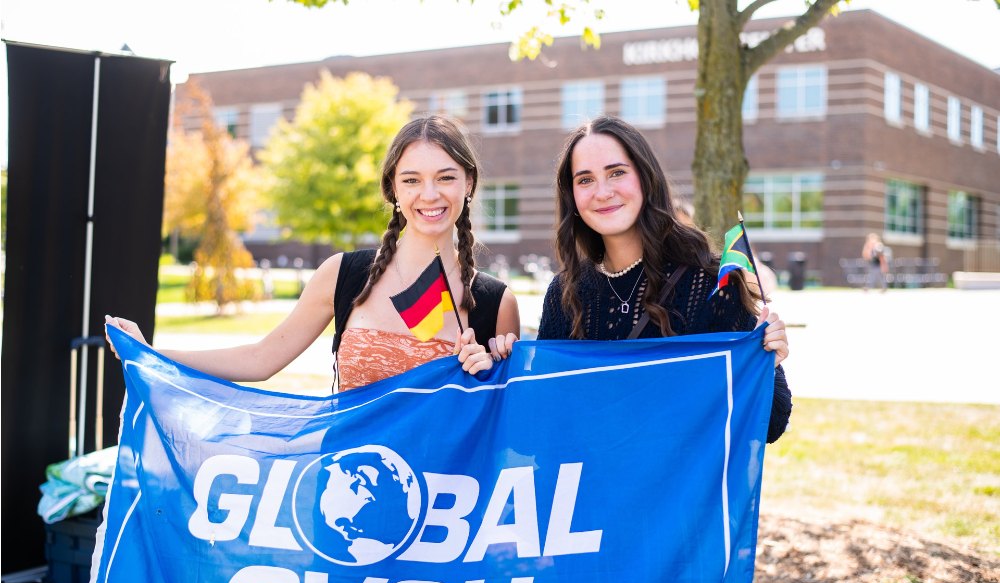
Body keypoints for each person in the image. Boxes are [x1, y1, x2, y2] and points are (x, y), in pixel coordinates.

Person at [106, 115, 521, 391]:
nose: (428, 195)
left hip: (448, 510)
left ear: (468, 184)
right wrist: (151, 354)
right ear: (393, 190)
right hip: (345, 497)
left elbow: (504, 431)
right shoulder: (343, 274)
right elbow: (259, 359)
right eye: (411, 180)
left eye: (445, 177)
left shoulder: (496, 303)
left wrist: (488, 378)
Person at [528, 116, 792, 442]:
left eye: (617, 172)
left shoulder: (710, 285)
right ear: (573, 198)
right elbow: (542, 417)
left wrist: (768, 363)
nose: (602, 191)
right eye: (585, 180)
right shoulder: (564, 294)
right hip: (591, 490)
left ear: (645, 178)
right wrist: (501, 364)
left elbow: (770, 425)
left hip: (678, 493)